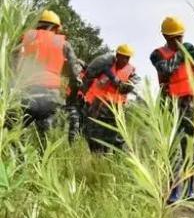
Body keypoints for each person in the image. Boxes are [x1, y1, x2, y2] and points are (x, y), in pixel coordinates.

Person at [150, 16, 194, 203]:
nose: (178, 41)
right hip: (170, 106)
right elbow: (166, 70)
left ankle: (190, 190)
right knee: (173, 149)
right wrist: (182, 54)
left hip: (192, 105)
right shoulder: (157, 54)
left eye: (180, 37)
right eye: (173, 37)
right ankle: (174, 191)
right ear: (166, 37)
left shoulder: (191, 50)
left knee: (192, 149)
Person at [15, 10, 81, 145]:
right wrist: (72, 94)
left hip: (27, 90)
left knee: (17, 131)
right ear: (56, 27)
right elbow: (74, 74)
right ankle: (42, 162)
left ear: (38, 24)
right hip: (51, 94)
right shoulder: (62, 42)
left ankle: (18, 161)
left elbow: (13, 60)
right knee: (46, 134)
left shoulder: (27, 37)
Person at [82, 45, 139, 152]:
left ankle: (111, 159)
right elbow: (89, 74)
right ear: (117, 55)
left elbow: (134, 83)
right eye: (123, 57)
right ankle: (97, 159)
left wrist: (127, 85)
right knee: (94, 134)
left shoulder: (131, 71)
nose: (125, 60)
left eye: (128, 58)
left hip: (116, 109)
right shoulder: (105, 65)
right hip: (98, 105)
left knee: (113, 135)